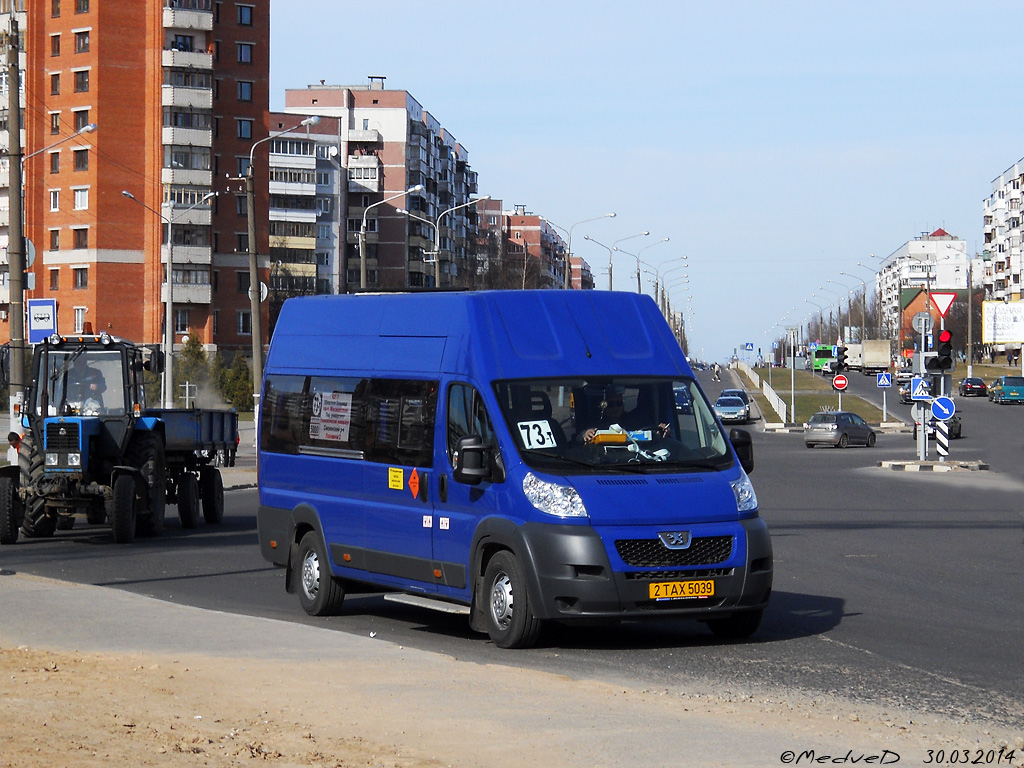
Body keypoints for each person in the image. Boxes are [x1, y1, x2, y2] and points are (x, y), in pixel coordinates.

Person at [580, 388, 669, 444]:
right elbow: (579, 438)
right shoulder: (596, 425)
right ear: (602, 407)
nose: (615, 407)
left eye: (619, 403)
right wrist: (585, 435)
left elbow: (649, 432)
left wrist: (660, 430)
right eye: (610, 404)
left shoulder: (634, 420)